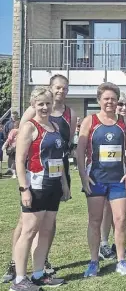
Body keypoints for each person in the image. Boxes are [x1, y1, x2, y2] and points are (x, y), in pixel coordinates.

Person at [14, 74, 77, 276]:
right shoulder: (31, 120)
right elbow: (20, 154)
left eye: (47, 104)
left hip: (55, 180)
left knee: (48, 227)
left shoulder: (61, 122)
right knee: (28, 227)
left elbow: (62, 153)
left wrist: (65, 183)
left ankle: (39, 270)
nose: (44, 107)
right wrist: (24, 187)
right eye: (40, 104)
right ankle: (18, 272)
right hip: (36, 182)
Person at [78, 83, 126, 277]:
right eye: (106, 99)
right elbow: (79, 152)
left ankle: (121, 260)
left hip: (118, 179)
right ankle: (94, 262)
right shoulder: (90, 121)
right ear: (99, 101)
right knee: (95, 220)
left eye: (113, 99)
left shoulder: (125, 122)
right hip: (95, 179)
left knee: (120, 220)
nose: (110, 102)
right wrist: (83, 176)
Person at [99, 92, 126, 261]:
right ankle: (103, 243)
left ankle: (117, 244)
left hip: (123, 173)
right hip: (103, 173)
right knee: (106, 210)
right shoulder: (102, 121)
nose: (123, 107)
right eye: (120, 104)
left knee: (120, 213)